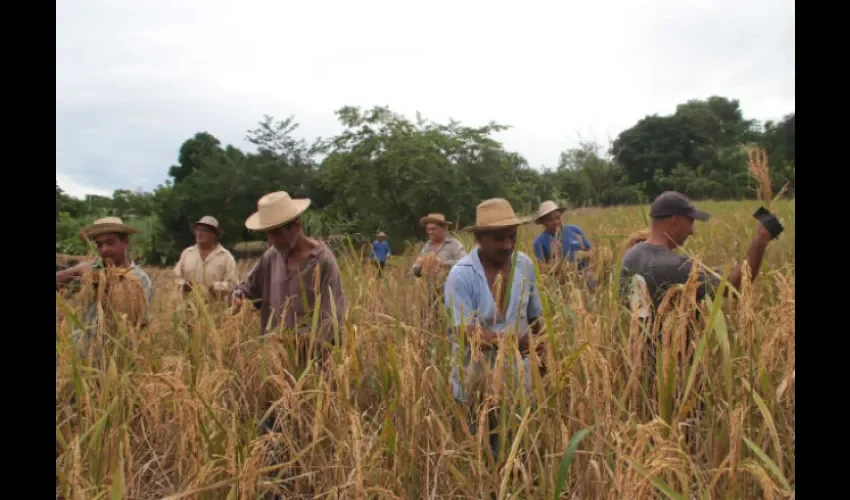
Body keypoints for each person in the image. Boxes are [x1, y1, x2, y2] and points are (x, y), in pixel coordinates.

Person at [444, 198, 544, 458]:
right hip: (475, 382)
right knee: (483, 453)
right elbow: (467, 334)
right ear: (479, 237)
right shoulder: (461, 275)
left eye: (512, 236)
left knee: (518, 451)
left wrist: (542, 357)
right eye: (499, 238)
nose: (508, 245)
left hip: (518, 382)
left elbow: (536, 319)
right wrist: (517, 341)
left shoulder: (525, 265)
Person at [231, 191, 348, 355]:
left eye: (277, 233)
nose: (272, 241)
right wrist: (238, 295)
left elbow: (331, 321)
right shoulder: (271, 256)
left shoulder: (323, 262)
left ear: (296, 225)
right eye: (268, 234)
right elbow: (248, 288)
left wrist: (296, 340)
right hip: (273, 360)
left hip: (313, 364)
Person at [55, 217, 153, 355]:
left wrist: (101, 283)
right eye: (99, 244)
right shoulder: (92, 270)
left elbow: (132, 320)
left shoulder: (139, 279)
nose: (104, 249)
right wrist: (75, 271)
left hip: (115, 357)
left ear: (125, 241)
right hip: (82, 352)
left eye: (110, 242)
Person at [532, 200, 596, 289]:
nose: (556, 222)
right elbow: (541, 267)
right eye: (551, 220)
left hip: (584, 275)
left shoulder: (575, 230)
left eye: (557, 218)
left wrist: (582, 255)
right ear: (544, 222)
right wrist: (561, 267)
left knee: (592, 285)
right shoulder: (539, 242)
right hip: (560, 282)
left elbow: (591, 251)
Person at [174, 216, 238, 302]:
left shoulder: (225, 257)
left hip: (216, 309)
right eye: (197, 230)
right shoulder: (187, 254)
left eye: (204, 230)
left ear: (213, 234)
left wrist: (215, 286)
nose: (199, 233)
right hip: (190, 309)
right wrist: (185, 285)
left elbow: (233, 285)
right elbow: (177, 277)